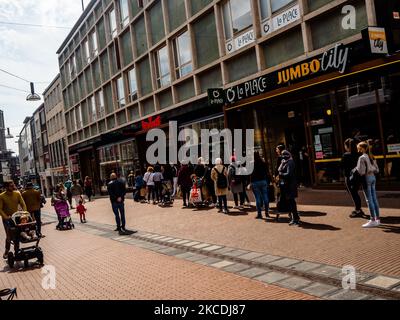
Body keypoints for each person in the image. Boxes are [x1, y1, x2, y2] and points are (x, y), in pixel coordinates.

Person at [356, 141, 380, 228]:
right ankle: (377, 219)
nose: (358, 149)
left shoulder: (362, 158)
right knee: (374, 198)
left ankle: (372, 219)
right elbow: (377, 170)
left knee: (369, 200)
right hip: (373, 177)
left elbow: (361, 172)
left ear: (362, 148)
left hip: (366, 178)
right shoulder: (372, 156)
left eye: (358, 148)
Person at [0, 181, 27, 259]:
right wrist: (5, 216)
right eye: (11, 186)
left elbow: (23, 204)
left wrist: (24, 213)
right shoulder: (1, 196)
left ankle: (16, 251)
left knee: (17, 235)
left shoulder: (17, 194)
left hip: (16, 217)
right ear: (6, 187)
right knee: (9, 236)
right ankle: (7, 250)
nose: (13, 186)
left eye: (13, 185)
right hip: (7, 219)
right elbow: (0, 209)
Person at [341, 138, 364, 218]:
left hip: (349, 176)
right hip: (358, 176)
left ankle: (358, 210)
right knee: (355, 192)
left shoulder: (346, 155)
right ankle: (358, 209)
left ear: (347, 146)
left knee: (353, 193)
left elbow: (341, 166)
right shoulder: (359, 154)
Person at [278, 150, 300, 226]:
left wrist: (281, 174)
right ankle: (295, 218)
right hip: (287, 185)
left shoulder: (290, 163)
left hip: (290, 186)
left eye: (284, 155)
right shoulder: (285, 162)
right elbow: (280, 169)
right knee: (291, 202)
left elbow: (289, 174)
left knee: (292, 203)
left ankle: (295, 219)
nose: (282, 157)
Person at [250, 152, 270, 220]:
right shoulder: (263, 162)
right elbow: (267, 172)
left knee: (257, 198)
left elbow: (250, 174)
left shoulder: (251, 164)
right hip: (263, 181)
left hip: (255, 182)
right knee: (265, 196)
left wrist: (249, 183)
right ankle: (267, 212)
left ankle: (259, 214)